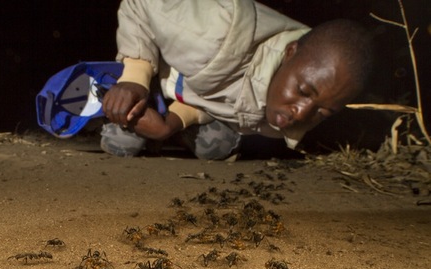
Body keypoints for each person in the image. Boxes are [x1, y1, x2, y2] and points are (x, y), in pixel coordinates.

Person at [100, 0, 374, 159]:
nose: (301, 113)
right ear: (290, 53)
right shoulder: (213, 34)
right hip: (162, 72)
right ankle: (109, 96)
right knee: (121, 145)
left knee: (216, 146)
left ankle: (170, 133)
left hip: (192, 93)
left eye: (323, 112)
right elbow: (138, 4)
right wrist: (134, 76)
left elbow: (229, 97)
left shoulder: (295, 109)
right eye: (303, 90)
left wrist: (170, 124)